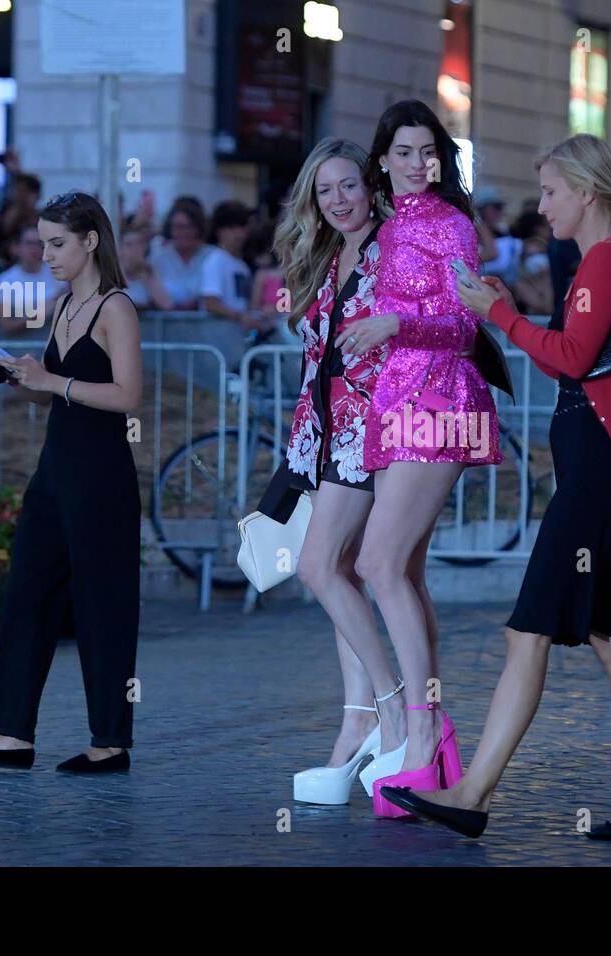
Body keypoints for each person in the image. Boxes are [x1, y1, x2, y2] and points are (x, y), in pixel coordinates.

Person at [382, 133, 611, 841]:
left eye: (551, 191)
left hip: (596, 475)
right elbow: (578, 354)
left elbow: (571, 358)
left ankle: (473, 792)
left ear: (586, 192)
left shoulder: (605, 261)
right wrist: (510, 309)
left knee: (528, 632)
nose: (543, 205)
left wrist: (499, 315)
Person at [331, 99, 501, 817]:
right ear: (383, 159)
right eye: (402, 151)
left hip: (440, 402)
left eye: (426, 151)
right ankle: (425, 736)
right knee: (401, 569)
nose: (414, 163)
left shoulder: (451, 224)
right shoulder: (388, 224)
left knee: (374, 563)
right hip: (395, 407)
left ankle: (420, 726)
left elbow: (467, 322)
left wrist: (395, 321)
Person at [0, 191, 143, 773]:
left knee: (102, 607)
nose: (48, 254)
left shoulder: (117, 308)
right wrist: (16, 377)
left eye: (58, 243)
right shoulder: (62, 305)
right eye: (41, 243)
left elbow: (129, 397)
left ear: (90, 241)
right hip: (56, 468)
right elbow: (55, 384)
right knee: (26, 594)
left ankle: (109, 743)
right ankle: (10, 735)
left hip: (102, 475)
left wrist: (52, 383)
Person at [255, 138, 416, 804]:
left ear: (370, 186)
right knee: (336, 571)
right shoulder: (322, 255)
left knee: (320, 566)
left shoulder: (397, 246)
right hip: (325, 434)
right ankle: (357, 723)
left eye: (348, 186)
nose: (338, 200)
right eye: (325, 191)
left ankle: (392, 710)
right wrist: (300, 448)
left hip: (376, 430)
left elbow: (434, 319)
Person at [0, 224, 68, 334]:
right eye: (29, 243)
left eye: (39, 243)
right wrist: (38, 314)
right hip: (21, 345)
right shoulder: (5, 279)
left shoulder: (58, 272)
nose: (34, 248)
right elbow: (6, 326)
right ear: (16, 248)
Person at [150, 198, 213, 309]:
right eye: (179, 227)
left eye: (189, 226)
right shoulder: (157, 260)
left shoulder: (213, 256)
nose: (184, 232)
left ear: (198, 228)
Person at [200, 200, 254, 325]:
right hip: (218, 338)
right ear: (219, 231)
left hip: (238, 337)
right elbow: (211, 303)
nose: (240, 234)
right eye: (233, 228)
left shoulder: (242, 266)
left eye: (242, 227)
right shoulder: (215, 261)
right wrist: (240, 317)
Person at [117, 226, 173, 311]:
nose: (135, 249)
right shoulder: (112, 275)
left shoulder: (150, 271)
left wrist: (148, 276)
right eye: (129, 244)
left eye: (139, 244)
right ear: (120, 249)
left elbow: (167, 306)